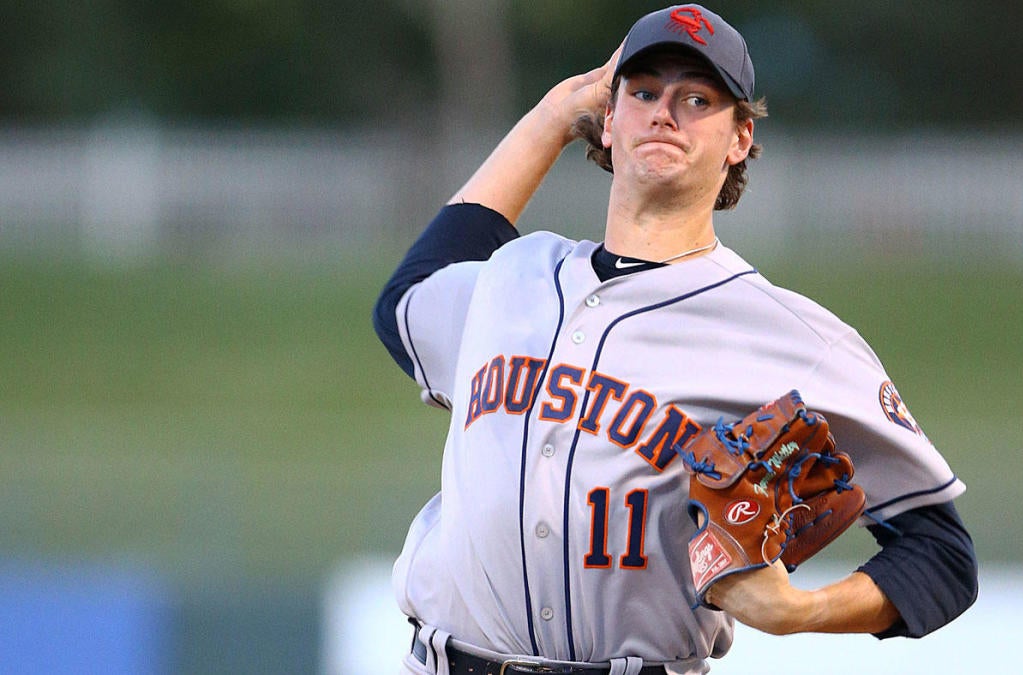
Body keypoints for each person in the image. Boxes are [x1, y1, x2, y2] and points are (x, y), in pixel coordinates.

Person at [374, 5, 977, 674]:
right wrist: (550, 116)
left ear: (741, 137)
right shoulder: (514, 276)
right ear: (607, 119)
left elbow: (942, 554)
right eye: (642, 92)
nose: (665, 112)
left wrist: (800, 612)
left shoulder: (789, 335)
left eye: (697, 98)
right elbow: (406, 299)